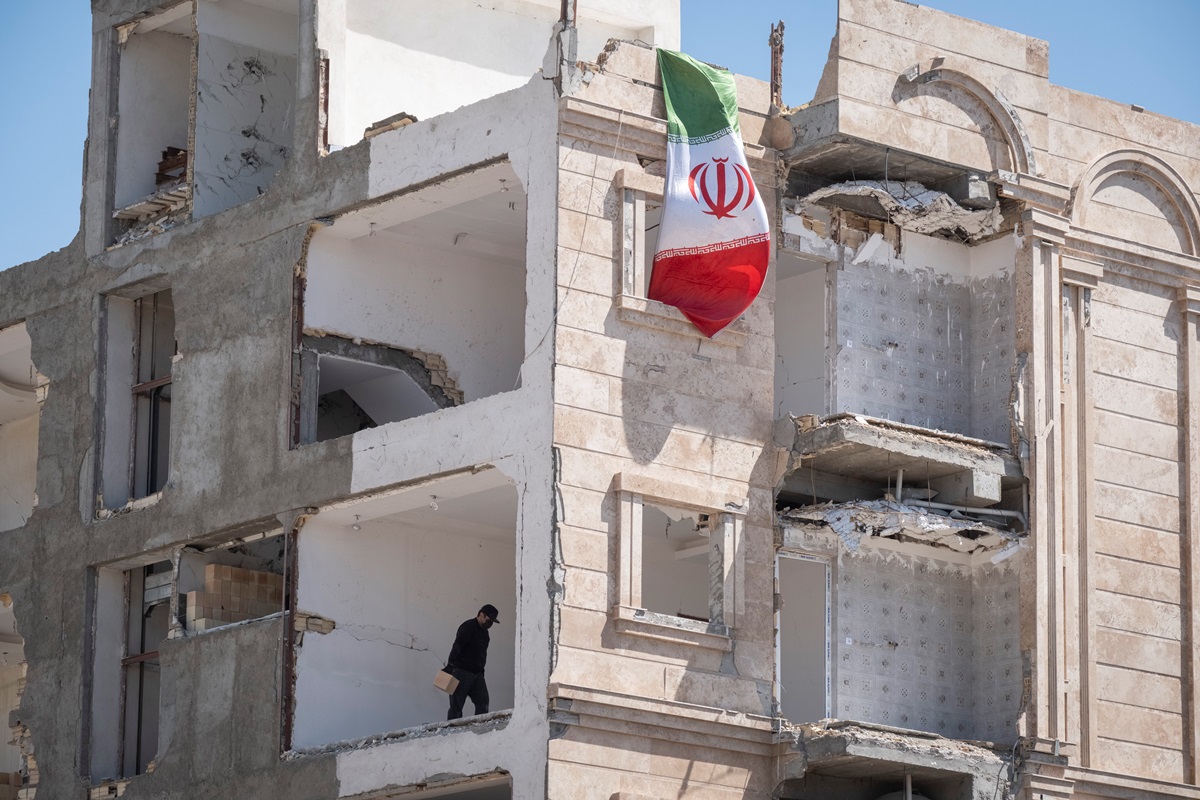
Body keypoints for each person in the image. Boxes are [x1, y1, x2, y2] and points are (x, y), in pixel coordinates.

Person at [445, 603, 499, 720]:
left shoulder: (485, 633)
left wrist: (482, 671)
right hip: (461, 672)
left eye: (492, 621)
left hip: (477, 674)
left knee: (483, 701)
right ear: (481, 615)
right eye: (489, 620)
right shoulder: (468, 627)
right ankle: (452, 728)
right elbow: (457, 646)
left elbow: (482, 654)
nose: (490, 623)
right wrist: (450, 665)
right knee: (456, 706)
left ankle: (480, 726)